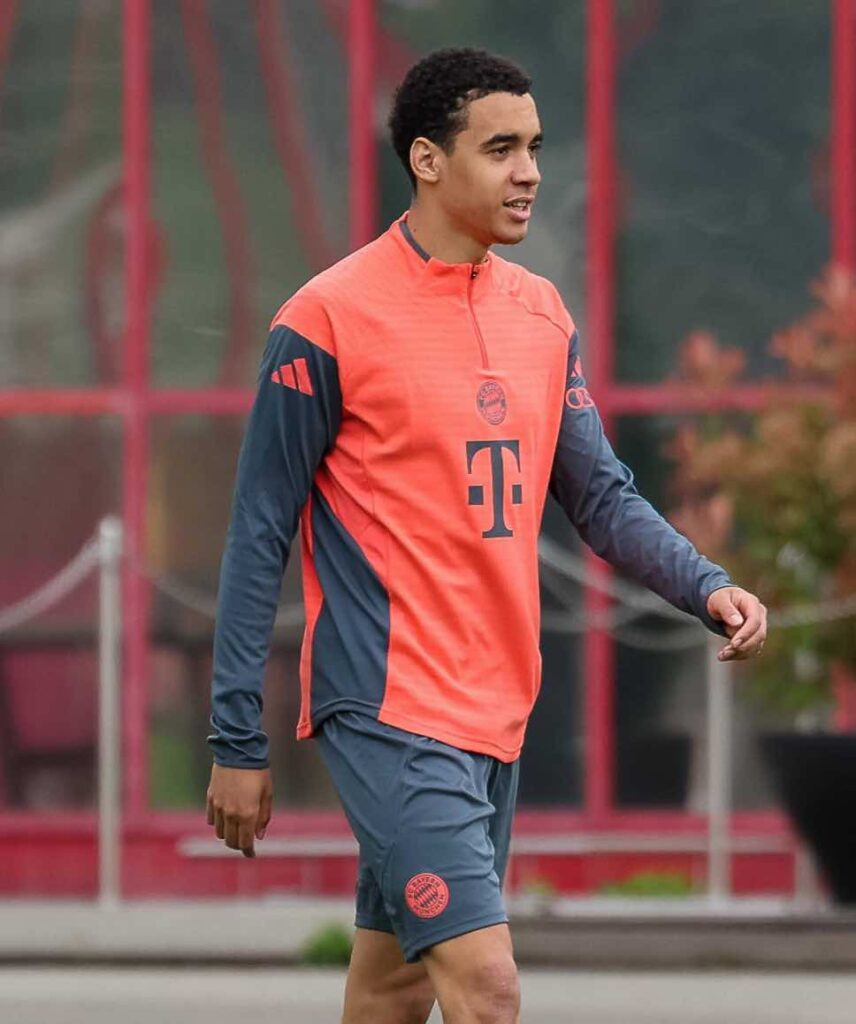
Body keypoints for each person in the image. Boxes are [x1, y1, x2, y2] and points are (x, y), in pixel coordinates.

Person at [205, 47, 767, 1024]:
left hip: (496, 706)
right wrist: (235, 738)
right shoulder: (325, 318)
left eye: (535, 147)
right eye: (500, 148)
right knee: (486, 986)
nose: (529, 172)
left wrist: (703, 583)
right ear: (427, 160)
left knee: (391, 986)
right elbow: (259, 532)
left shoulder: (540, 313)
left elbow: (601, 497)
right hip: (386, 706)